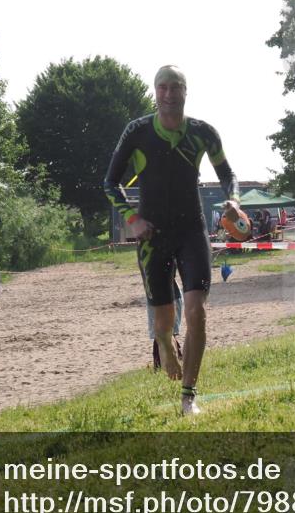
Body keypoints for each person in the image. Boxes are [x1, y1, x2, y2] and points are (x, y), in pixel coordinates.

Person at [103, 65, 241, 416]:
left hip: (192, 231)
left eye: (175, 87)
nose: (168, 94)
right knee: (163, 322)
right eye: (162, 87)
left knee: (196, 312)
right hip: (153, 236)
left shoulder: (202, 132)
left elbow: (228, 174)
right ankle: (164, 342)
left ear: (185, 91)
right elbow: (109, 183)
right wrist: (133, 220)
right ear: (156, 92)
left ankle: (188, 396)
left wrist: (234, 200)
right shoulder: (137, 131)